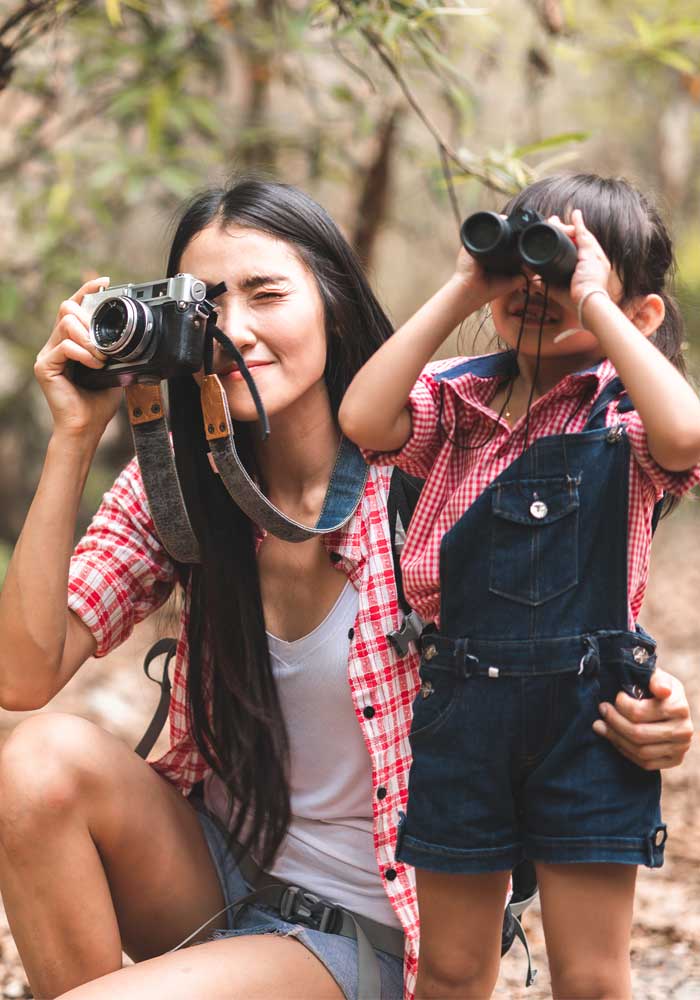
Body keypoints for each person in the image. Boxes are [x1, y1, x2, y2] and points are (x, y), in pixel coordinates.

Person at [0, 178, 693, 1000]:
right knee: (37, 764)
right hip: (219, 874)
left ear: (330, 299)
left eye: (267, 293)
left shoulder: (437, 465)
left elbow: (563, 630)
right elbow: (24, 675)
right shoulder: (182, 485)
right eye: (210, 301)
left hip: (362, 925)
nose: (238, 328)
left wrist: (652, 701)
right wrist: (76, 435)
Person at [339, 173, 700, 1000]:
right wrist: (468, 282)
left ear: (639, 313)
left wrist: (600, 308)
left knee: (593, 975)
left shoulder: (624, 418)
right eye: (523, 257)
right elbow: (363, 419)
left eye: (566, 267)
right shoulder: (458, 401)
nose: (536, 288)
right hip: (460, 706)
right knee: (456, 967)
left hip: (591, 719)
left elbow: (686, 436)